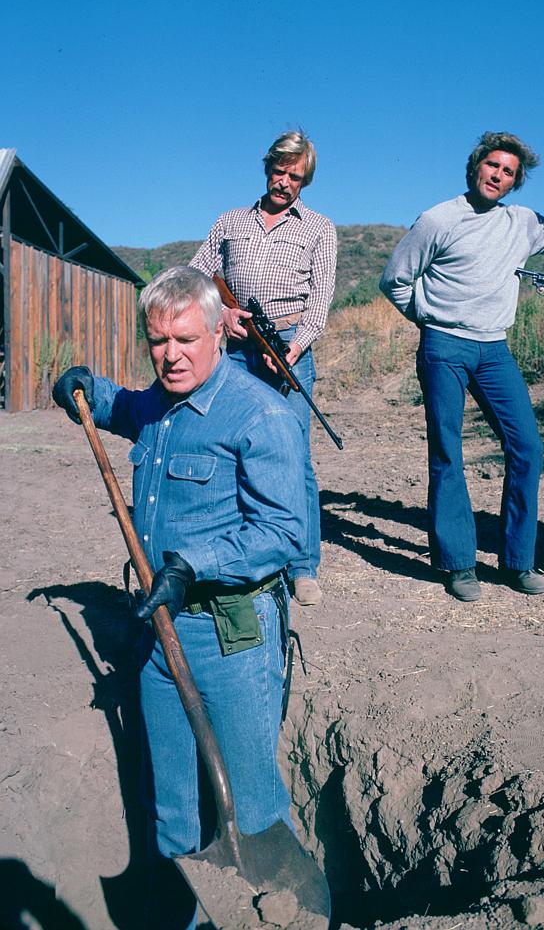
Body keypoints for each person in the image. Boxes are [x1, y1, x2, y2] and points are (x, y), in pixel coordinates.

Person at [52, 267, 306, 930]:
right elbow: (122, 408)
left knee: (250, 806)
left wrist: (193, 566)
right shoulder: (159, 404)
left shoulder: (261, 414)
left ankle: (270, 913)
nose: (171, 356)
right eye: (158, 341)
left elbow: (284, 531)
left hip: (232, 638)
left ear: (220, 331)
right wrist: (86, 389)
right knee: (172, 809)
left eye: (186, 339)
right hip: (158, 638)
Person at [379, 131, 544, 604]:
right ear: (476, 167)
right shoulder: (438, 219)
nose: (498, 175)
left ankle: (519, 560)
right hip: (444, 346)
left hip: (495, 349)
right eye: (492, 165)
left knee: (527, 446)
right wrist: (430, 317)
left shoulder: (522, 223)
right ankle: (459, 563)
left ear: (514, 182)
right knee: (448, 451)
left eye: (508, 172)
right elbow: (395, 280)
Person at [189, 131, 337, 607]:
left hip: (288, 350)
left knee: (295, 457)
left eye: (296, 176)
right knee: (230, 452)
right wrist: (224, 313)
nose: (285, 182)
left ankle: (303, 566)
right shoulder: (230, 221)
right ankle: (240, 557)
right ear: (268, 169)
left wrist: (293, 348)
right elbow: (196, 276)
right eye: (280, 171)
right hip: (234, 352)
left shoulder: (319, 228)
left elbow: (320, 302)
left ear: (305, 181)